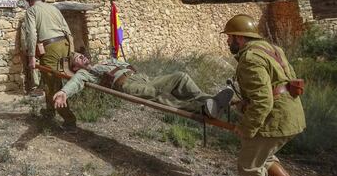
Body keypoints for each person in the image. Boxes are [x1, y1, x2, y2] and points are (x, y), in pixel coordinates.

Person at [222, 14, 318, 176]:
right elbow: (280, 83)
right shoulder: (272, 49)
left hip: (275, 118)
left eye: (230, 37)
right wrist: (246, 102)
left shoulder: (250, 58)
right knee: (263, 157)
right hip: (291, 114)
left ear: (240, 38)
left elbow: (264, 101)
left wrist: (247, 128)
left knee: (248, 166)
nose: (228, 41)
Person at [52, 52, 234, 118]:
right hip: (126, 85)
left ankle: (211, 102)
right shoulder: (86, 73)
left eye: (82, 55)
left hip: (141, 77)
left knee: (181, 77)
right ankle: (203, 109)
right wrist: (63, 92)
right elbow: (75, 83)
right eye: (78, 59)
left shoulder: (104, 62)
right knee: (158, 96)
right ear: (75, 67)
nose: (82, 57)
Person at [24, 0, 77, 132]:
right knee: (50, 80)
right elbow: (67, 30)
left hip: (50, 48)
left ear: (30, 1)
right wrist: (71, 51)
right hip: (64, 44)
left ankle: (70, 121)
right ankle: (49, 112)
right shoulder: (54, 9)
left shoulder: (31, 10)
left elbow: (31, 35)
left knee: (53, 83)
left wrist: (31, 57)